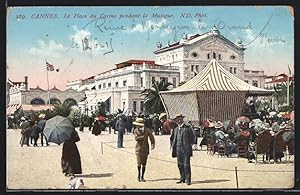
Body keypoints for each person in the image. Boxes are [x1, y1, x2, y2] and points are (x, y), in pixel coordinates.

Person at [170, 114, 196, 185]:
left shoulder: (188, 128)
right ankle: (182, 178)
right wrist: (172, 146)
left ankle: (188, 179)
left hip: (186, 149)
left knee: (186, 164)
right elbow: (172, 138)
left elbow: (194, 137)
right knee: (179, 164)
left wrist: (191, 145)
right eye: (176, 119)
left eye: (179, 119)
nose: (178, 120)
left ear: (182, 119)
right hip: (178, 149)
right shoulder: (175, 129)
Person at [133, 117, 155, 182]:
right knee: (138, 163)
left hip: (145, 149)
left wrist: (153, 144)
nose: (136, 126)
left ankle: (142, 176)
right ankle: (138, 175)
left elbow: (152, 138)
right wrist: (143, 136)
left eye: (137, 125)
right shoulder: (135, 130)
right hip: (138, 149)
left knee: (144, 163)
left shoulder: (147, 130)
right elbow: (136, 138)